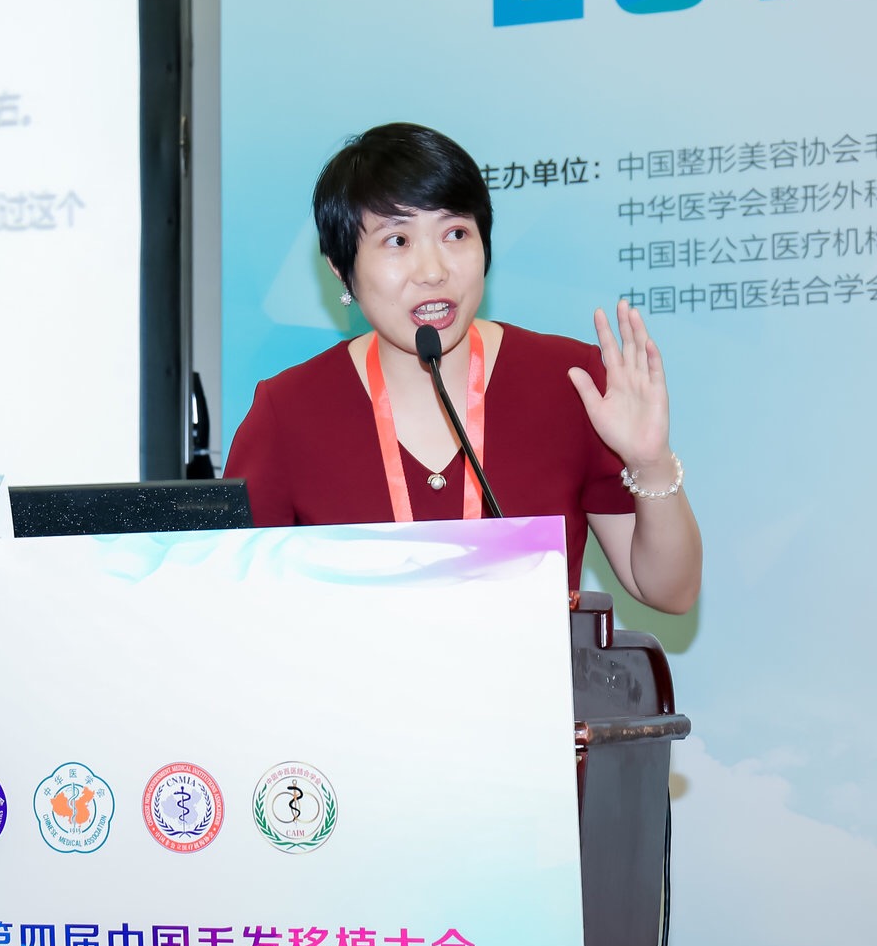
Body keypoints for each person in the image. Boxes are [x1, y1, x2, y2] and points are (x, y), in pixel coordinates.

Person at [224, 123, 702, 614]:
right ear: (341, 268)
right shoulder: (288, 411)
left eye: (455, 233)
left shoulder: (571, 382)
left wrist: (651, 463)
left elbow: (670, 592)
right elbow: (229, 607)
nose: (433, 271)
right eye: (397, 240)